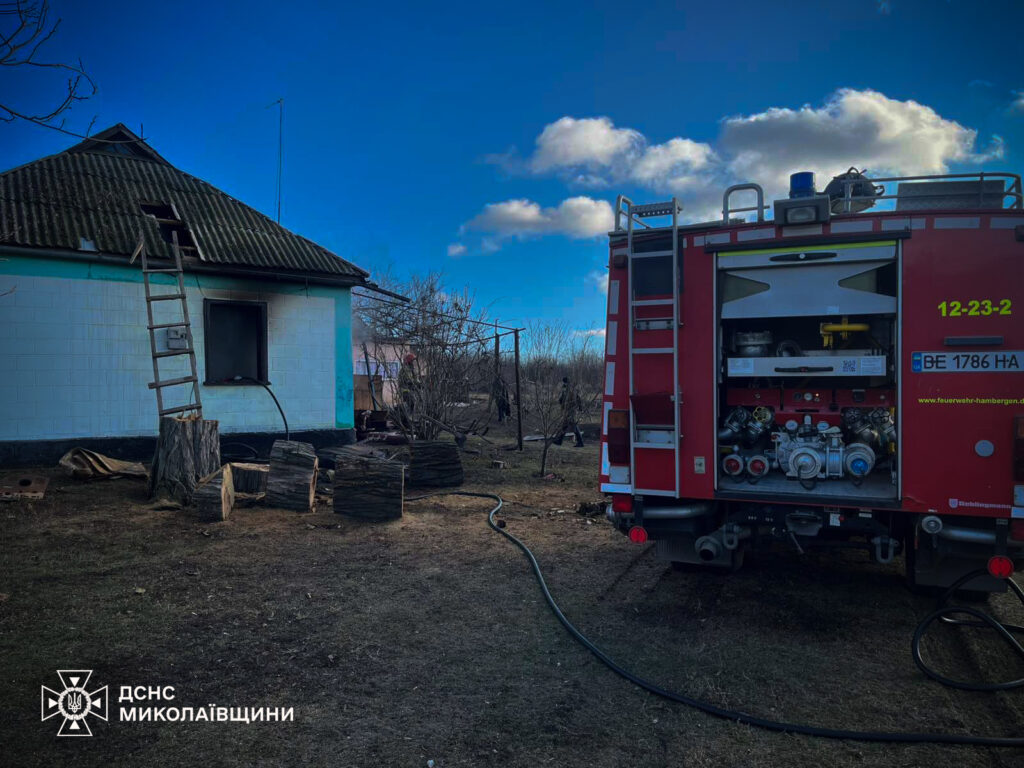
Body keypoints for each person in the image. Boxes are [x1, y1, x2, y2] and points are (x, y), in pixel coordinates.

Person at [555, 376, 584, 448]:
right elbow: (563, 398)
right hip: (568, 410)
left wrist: (580, 408)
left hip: (571, 411)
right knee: (564, 425)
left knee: (573, 426)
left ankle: (580, 442)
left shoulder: (571, 389)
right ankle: (559, 441)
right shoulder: (566, 389)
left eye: (564, 383)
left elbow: (578, 398)